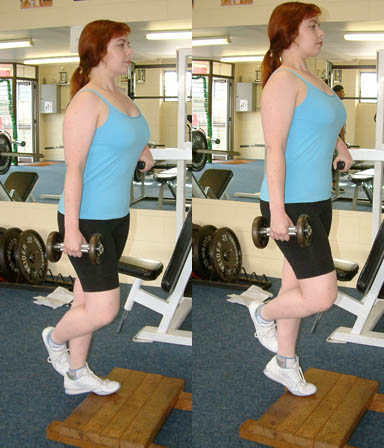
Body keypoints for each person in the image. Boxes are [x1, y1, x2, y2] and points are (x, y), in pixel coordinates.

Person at [42, 19, 154, 396]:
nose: (129, 51)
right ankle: (55, 339)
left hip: (116, 217)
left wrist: (141, 149)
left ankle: (76, 373)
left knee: (85, 298)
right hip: (86, 219)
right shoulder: (86, 101)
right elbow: (72, 170)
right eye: (122, 45)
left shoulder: (121, 97)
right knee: (104, 309)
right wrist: (71, 230)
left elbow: (125, 136)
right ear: (99, 52)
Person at [249, 2, 353, 396]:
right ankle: (261, 312)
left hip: (316, 200)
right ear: (291, 32)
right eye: (314, 26)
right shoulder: (282, 81)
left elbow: (319, 120)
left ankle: (285, 363)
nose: (321, 33)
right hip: (289, 204)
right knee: (321, 295)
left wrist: (340, 145)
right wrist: (277, 212)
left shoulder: (312, 78)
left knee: (295, 286)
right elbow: (274, 149)